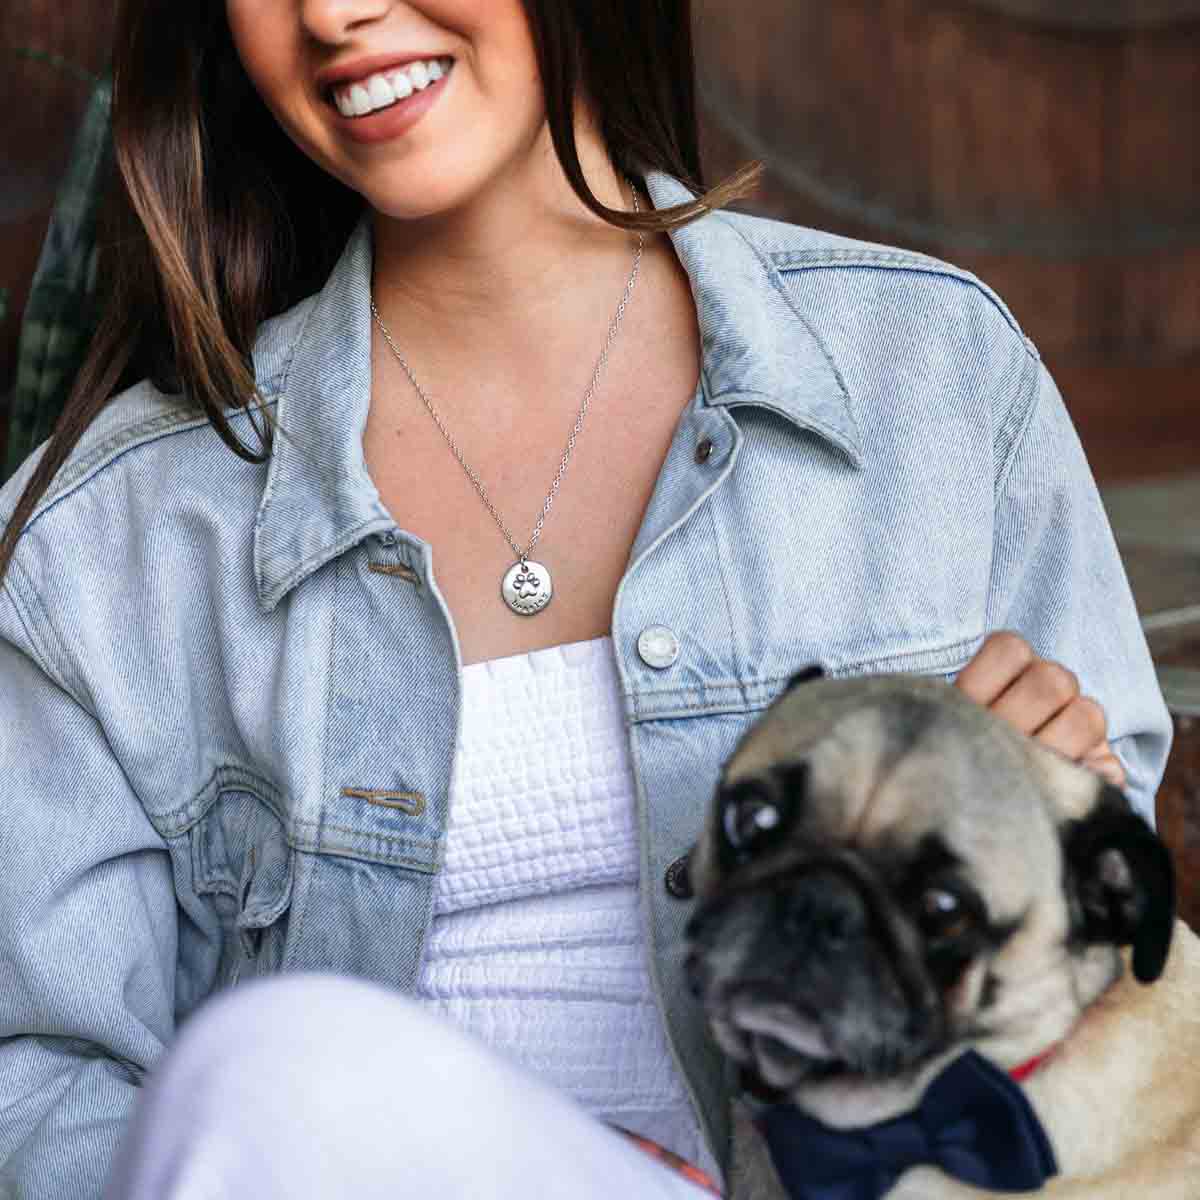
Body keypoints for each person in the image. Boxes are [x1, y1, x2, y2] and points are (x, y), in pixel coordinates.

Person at [0, 1, 1171, 1197]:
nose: (335, 12)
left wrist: (1042, 789)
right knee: (272, 1071)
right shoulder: (103, 545)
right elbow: (32, 1082)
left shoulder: (937, 372)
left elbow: (1105, 1004)